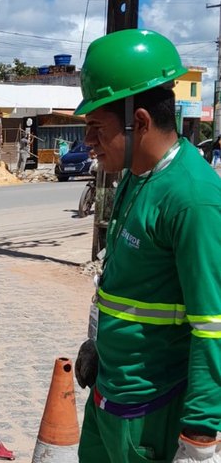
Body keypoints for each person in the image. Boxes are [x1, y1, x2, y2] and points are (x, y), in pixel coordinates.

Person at [73, 29, 221, 463]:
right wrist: (97, 346)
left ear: (138, 121)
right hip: (109, 395)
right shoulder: (136, 177)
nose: (87, 141)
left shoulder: (193, 199)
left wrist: (198, 437)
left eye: (96, 127)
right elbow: (121, 280)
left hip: (151, 412)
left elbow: (213, 326)